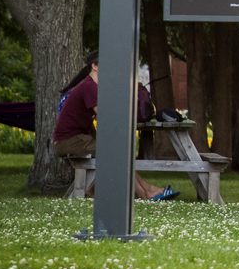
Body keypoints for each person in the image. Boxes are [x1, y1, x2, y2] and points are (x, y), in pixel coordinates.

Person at [53, 59, 177, 200]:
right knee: (117, 154)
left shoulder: (92, 86)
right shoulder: (89, 86)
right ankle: (146, 193)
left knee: (118, 152)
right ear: (94, 66)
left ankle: (147, 190)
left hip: (76, 138)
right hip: (69, 141)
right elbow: (105, 117)